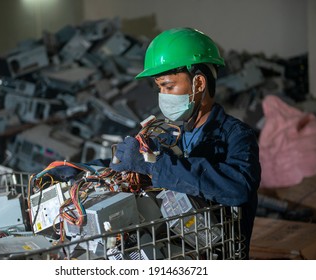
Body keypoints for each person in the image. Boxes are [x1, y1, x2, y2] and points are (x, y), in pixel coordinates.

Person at [108, 27, 261, 259]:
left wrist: (153, 166)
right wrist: (92, 168)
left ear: (199, 84)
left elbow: (238, 188)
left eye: (169, 87)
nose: (163, 95)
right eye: (159, 88)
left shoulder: (236, 136)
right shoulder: (168, 135)